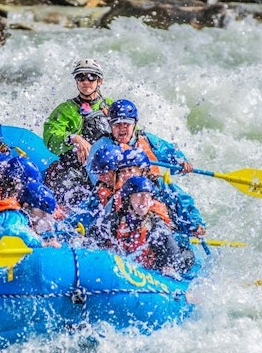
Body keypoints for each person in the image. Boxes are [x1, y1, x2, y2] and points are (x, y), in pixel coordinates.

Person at [86, 99, 206, 240]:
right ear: (110, 125)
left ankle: (188, 228)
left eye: (127, 124)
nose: (122, 128)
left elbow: (171, 155)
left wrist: (182, 163)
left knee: (170, 193)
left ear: (134, 124)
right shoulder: (102, 147)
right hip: (116, 191)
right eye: (117, 124)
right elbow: (96, 175)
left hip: (145, 191)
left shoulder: (146, 140)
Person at [43, 59, 114, 208]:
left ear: (99, 81)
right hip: (75, 169)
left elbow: (133, 132)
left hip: (108, 169)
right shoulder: (65, 109)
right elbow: (50, 138)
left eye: (91, 77)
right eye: (81, 77)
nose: (86, 81)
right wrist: (73, 138)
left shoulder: (111, 106)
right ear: (76, 81)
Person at [98, 176, 194, 277]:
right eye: (139, 195)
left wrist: (170, 267)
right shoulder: (114, 221)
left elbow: (174, 256)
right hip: (123, 265)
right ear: (128, 199)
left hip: (151, 271)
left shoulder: (157, 228)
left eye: (147, 196)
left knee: (187, 257)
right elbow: (93, 240)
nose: (144, 200)